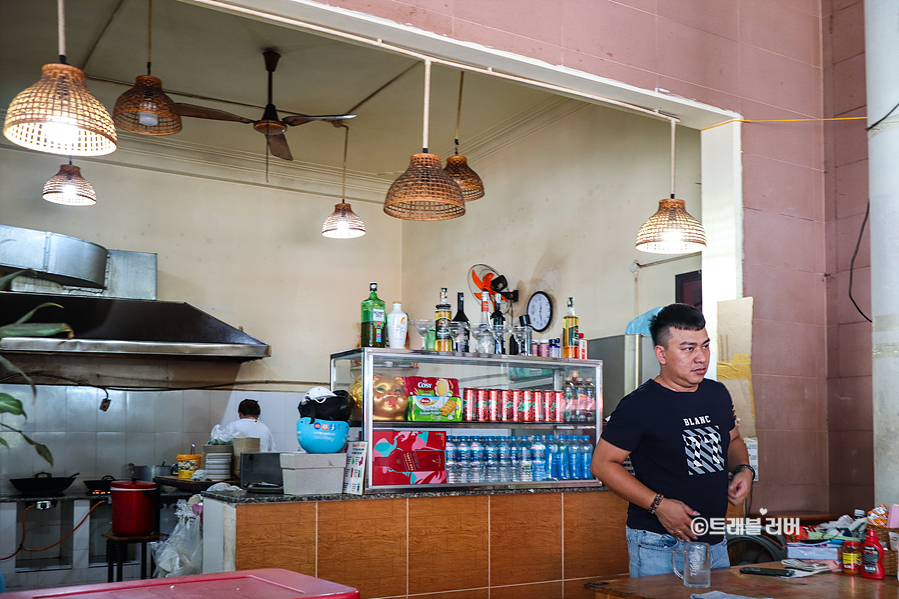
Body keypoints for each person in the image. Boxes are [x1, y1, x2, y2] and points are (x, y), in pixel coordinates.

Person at [591, 303, 753, 577]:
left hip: (714, 540)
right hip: (660, 543)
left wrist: (743, 469)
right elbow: (603, 464)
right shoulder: (639, 404)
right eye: (688, 349)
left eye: (705, 346)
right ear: (661, 353)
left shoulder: (717, 394)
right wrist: (659, 505)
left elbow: (733, 439)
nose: (701, 358)